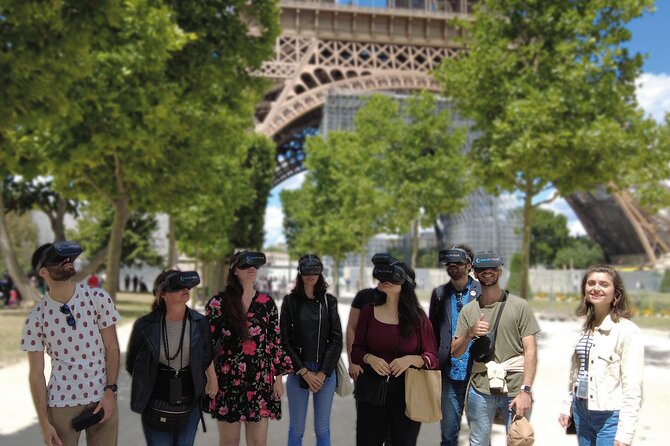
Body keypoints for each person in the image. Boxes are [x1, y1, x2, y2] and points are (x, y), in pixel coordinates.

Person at [21, 241, 121, 446]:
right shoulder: (36, 318)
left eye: (69, 258)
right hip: (61, 403)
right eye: (58, 260)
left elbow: (112, 348)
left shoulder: (98, 299)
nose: (67, 261)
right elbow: (36, 373)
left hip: (102, 397)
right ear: (43, 272)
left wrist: (110, 391)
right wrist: (43, 422)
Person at [451, 252, 540, 446]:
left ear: (500, 271)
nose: (487, 272)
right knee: (478, 443)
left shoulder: (519, 306)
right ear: (474, 272)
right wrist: (469, 333)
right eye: (482, 269)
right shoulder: (469, 310)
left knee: (520, 440)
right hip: (481, 389)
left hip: (515, 390)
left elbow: (531, 351)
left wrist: (526, 391)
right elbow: (455, 351)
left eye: (492, 268)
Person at [206, 251, 292, 446]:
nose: (252, 268)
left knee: (258, 443)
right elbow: (207, 344)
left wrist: (279, 378)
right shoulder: (219, 303)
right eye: (245, 265)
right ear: (234, 270)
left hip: (261, 381)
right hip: (228, 382)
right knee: (230, 442)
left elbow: (275, 342)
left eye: (255, 265)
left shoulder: (267, 304)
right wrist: (211, 378)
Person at [126, 270, 218, 446]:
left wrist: (212, 378)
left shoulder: (200, 322)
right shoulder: (145, 325)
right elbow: (133, 364)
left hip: (191, 402)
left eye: (186, 286)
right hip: (155, 403)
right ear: (163, 294)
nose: (184, 289)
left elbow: (206, 355)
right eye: (177, 286)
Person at [351, 259, 438, 446]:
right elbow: (356, 350)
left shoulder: (418, 318)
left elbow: (432, 357)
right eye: (383, 276)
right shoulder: (368, 311)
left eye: (393, 277)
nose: (386, 280)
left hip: (407, 393)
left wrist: (412, 359)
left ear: (405, 282)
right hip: (371, 391)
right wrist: (369, 358)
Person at [558, 265, 644, 446]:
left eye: (604, 284)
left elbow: (632, 386)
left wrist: (625, 433)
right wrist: (568, 406)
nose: (596, 288)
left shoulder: (627, 331)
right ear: (584, 290)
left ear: (616, 294)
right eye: (591, 283)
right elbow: (578, 372)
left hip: (609, 416)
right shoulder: (586, 327)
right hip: (581, 411)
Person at [280, 255, 343, 446]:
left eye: (315, 270)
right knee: (297, 429)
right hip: (299, 369)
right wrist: (304, 371)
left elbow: (336, 338)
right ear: (300, 272)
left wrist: (323, 372)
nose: (311, 275)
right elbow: (284, 340)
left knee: (322, 428)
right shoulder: (290, 301)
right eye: (307, 271)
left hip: (325, 370)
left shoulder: (328, 301)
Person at [428, 245, 482, 446]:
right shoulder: (439, 294)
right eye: (449, 263)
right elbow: (432, 332)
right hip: (449, 373)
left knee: (479, 435)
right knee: (449, 435)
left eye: (458, 263)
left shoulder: (482, 291)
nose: (453, 266)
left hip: (477, 374)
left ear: (469, 266)